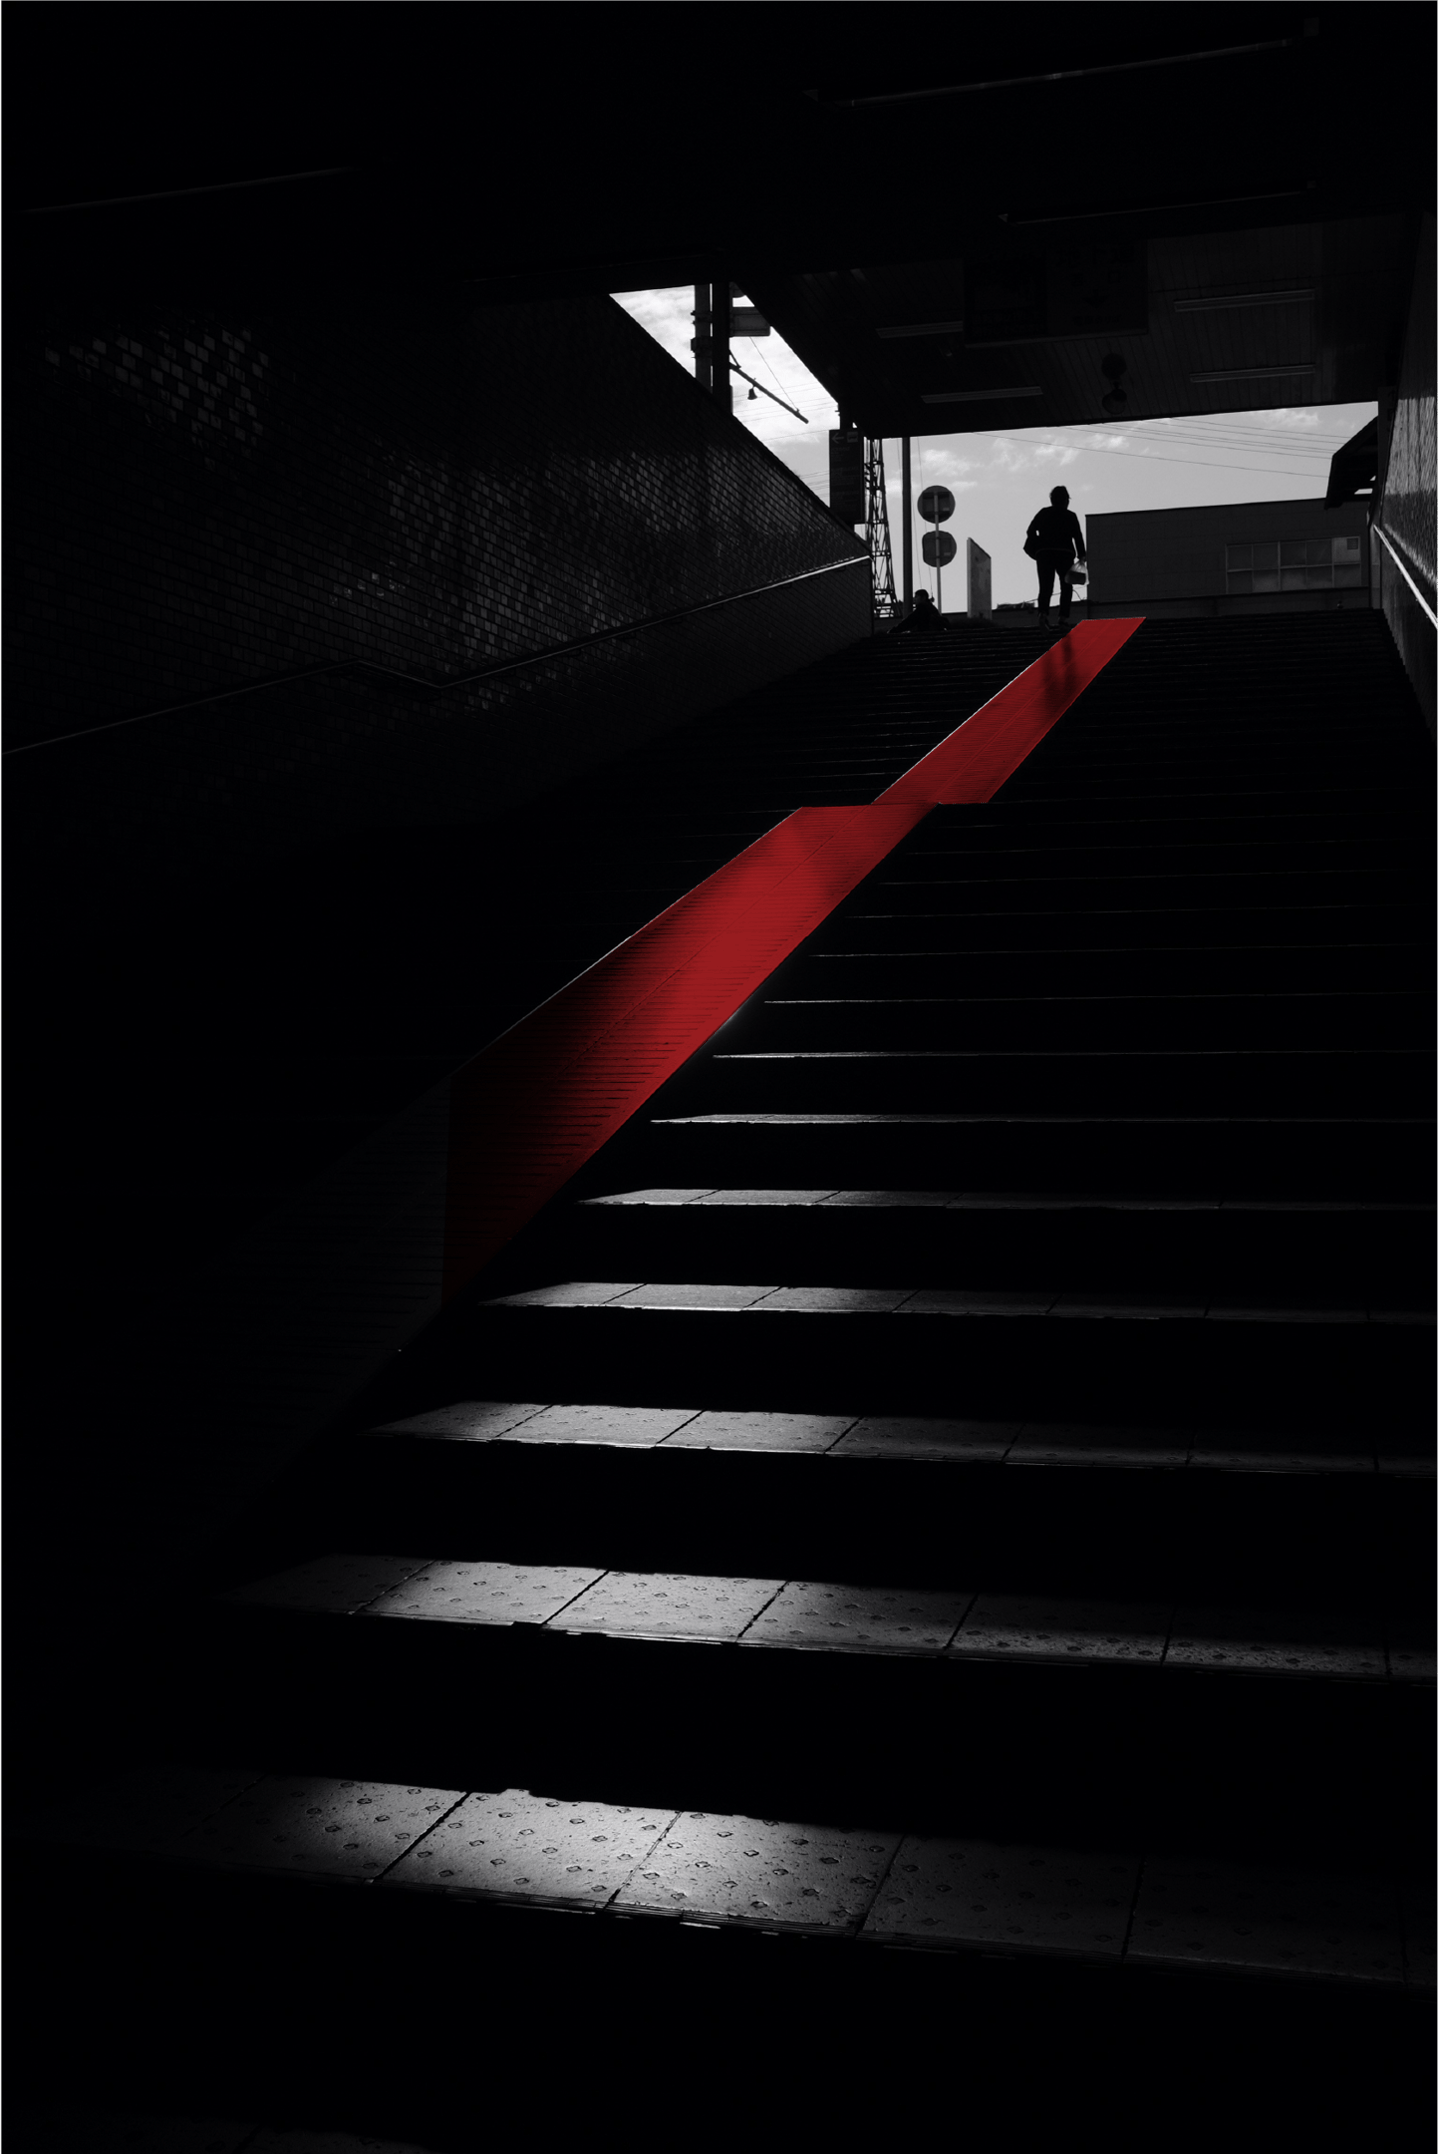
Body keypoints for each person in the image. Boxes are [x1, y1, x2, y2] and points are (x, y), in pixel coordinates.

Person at [1024, 486, 1086, 632]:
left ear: (1052, 500)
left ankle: (1043, 615)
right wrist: (1082, 555)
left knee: (1045, 586)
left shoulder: (1043, 513)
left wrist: (1038, 544)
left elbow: (1030, 530)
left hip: (1044, 553)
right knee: (1066, 586)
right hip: (1064, 553)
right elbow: (1077, 536)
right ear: (1066, 500)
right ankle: (1062, 618)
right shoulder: (1070, 516)